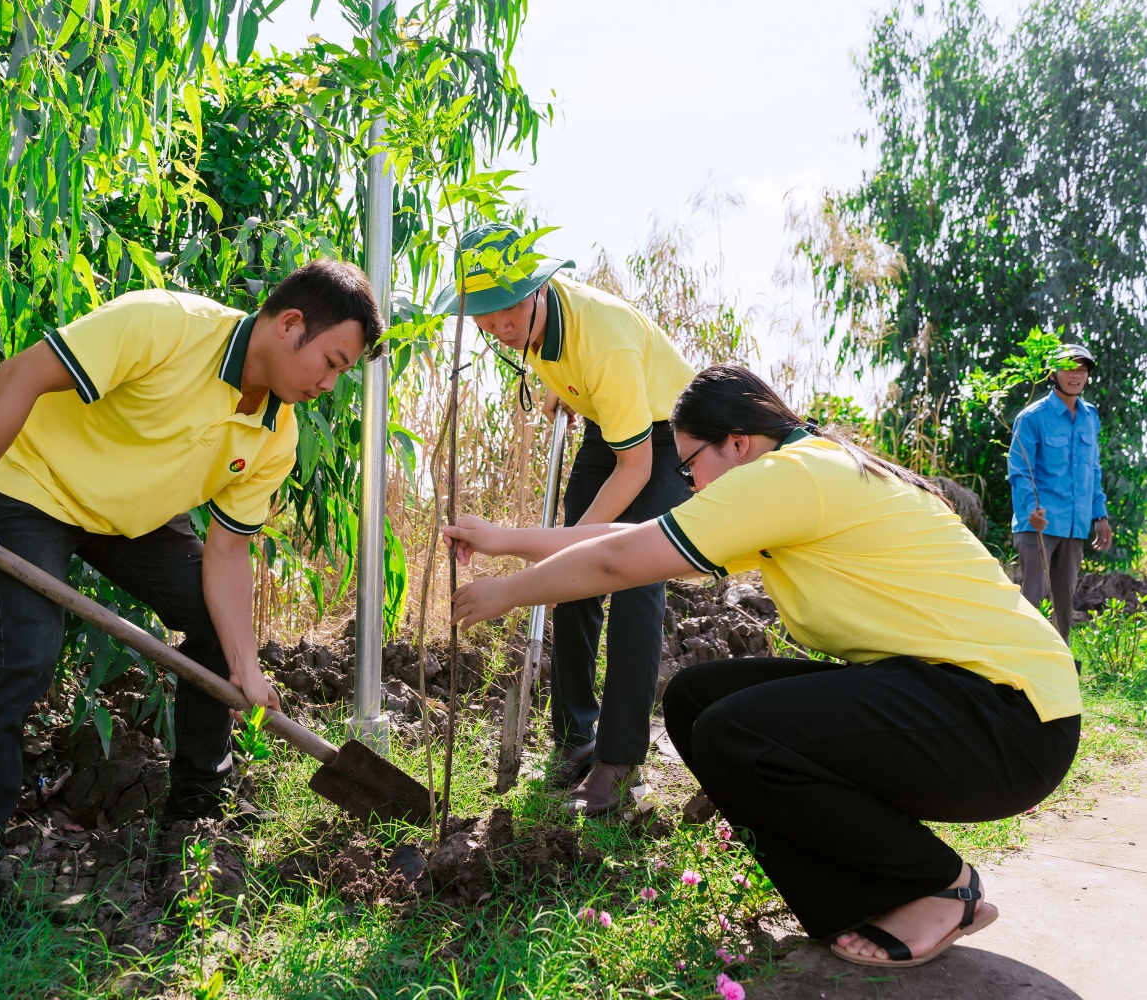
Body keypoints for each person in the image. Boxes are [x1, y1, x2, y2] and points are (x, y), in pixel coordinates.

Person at [446, 365, 1080, 968]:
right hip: (957, 701)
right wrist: (500, 537)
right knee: (696, 703)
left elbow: (618, 563)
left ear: (739, 444)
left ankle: (942, 886)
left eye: (690, 464)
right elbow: (623, 539)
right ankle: (861, 896)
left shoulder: (792, 477)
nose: (688, 483)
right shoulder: (795, 474)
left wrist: (505, 592)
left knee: (734, 732)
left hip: (1012, 717)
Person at [0, 260, 382, 918]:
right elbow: (21, 374)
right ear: (290, 325)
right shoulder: (164, 326)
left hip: (129, 519)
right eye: (332, 362)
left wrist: (247, 670)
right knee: (24, 654)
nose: (329, 383)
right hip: (33, 490)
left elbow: (227, 553)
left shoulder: (276, 435)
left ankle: (194, 823)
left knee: (220, 629)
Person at [433, 222, 695, 816]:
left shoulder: (603, 337)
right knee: (574, 582)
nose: (500, 327)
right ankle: (577, 737)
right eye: (486, 317)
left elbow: (635, 468)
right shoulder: (529, 330)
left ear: (539, 289)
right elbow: (576, 376)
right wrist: (566, 394)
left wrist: (567, 547)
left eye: (509, 310)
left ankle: (619, 760)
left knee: (631, 577)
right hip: (611, 425)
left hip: (663, 442)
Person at [1007, 343, 1111, 642]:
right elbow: (1019, 469)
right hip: (1040, 522)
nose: (1075, 375)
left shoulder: (1090, 416)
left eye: (1082, 369)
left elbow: (1093, 470)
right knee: (1033, 596)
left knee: (1065, 599)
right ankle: (1021, 661)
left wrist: (1100, 514)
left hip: (1075, 525)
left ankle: (1059, 665)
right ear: (1053, 374)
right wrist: (1031, 509)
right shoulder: (1032, 417)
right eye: (1068, 368)